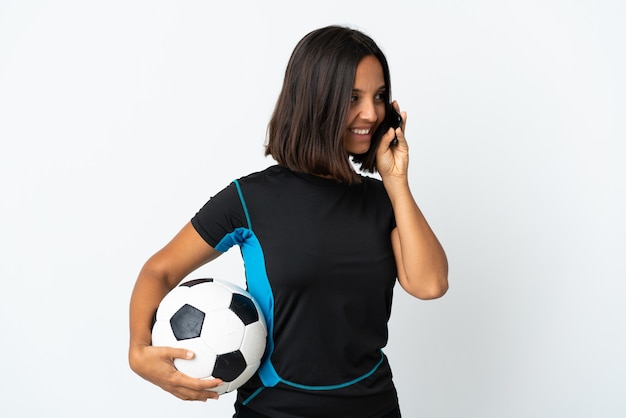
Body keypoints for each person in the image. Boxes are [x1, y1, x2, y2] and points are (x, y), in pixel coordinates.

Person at [129, 25, 448, 418]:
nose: (371, 113)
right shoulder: (249, 199)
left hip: (373, 408)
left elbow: (430, 284)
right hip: (273, 411)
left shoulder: (383, 201)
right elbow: (158, 271)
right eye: (353, 98)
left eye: (379, 97)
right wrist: (138, 351)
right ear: (317, 100)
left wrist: (396, 180)